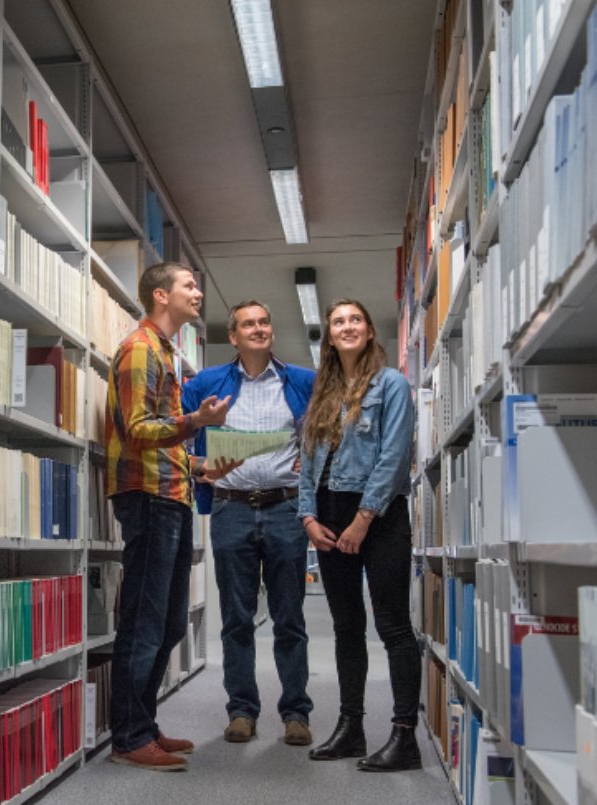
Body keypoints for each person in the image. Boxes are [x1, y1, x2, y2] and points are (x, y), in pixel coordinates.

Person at [106, 262, 233, 772]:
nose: (198, 291)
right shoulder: (140, 348)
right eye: (189, 285)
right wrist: (196, 421)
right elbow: (139, 428)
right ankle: (129, 737)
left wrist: (206, 465)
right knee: (144, 622)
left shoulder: (166, 352)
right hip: (149, 497)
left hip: (173, 493)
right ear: (161, 295)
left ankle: (143, 723)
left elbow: (165, 439)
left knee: (170, 623)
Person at [181, 300, 316, 747]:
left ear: (271, 331)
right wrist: (199, 468)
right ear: (233, 337)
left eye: (264, 321)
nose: (258, 329)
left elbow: (326, 438)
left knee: (289, 617)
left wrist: (312, 466)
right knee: (237, 618)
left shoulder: (301, 382)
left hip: (285, 508)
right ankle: (242, 711)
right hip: (230, 509)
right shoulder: (206, 384)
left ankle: (296, 713)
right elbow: (173, 434)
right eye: (247, 324)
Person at [297, 298, 420, 772]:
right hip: (328, 517)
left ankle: (404, 735)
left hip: (379, 514)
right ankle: (351, 728)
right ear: (329, 336)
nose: (347, 327)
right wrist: (309, 519)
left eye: (355, 320)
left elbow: (394, 457)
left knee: (391, 624)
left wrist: (363, 519)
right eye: (338, 322)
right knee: (347, 627)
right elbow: (307, 461)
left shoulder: (391, 384)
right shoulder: (323, 393)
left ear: (369, 331)